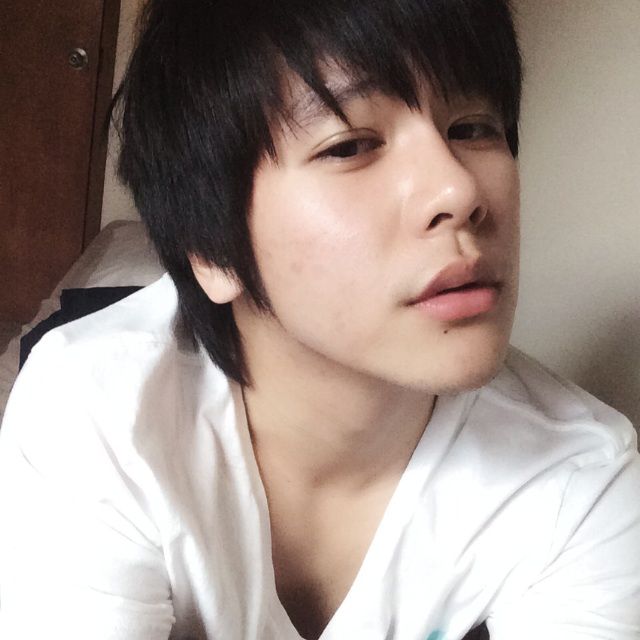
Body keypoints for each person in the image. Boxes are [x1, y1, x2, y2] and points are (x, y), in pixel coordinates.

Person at [1, 0, 639, 638]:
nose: (460, 191)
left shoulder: (581, 478)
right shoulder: (97, 410)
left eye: (472, 128)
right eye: (350, 146)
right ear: (211, 248)